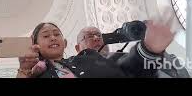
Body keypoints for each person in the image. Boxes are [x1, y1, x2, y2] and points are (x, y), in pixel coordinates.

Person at [17, 13, 177, 78]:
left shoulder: (89, 57)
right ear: (35, 44)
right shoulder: (33, 74)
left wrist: (149, 49)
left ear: (65, 43)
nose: (53, 38)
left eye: (57, 34)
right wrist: (24, 71)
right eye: (46, 35)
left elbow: (127, 71)